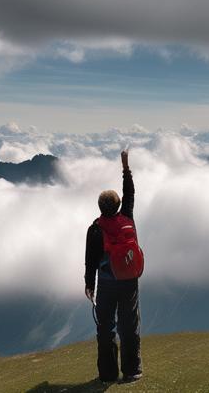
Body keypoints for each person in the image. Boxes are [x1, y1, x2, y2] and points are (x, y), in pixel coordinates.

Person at [85, 149, 142, 383]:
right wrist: (125, 166)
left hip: (107, 285)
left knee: (106, 329)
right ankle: (132, 371)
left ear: (100, 206)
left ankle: (108, 375)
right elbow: (130, 192)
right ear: (118, 205)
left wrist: (90, 286)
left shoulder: (95, 229)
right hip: (129, 280)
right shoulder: (127, 217)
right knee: (129, 326)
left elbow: (91, 262)